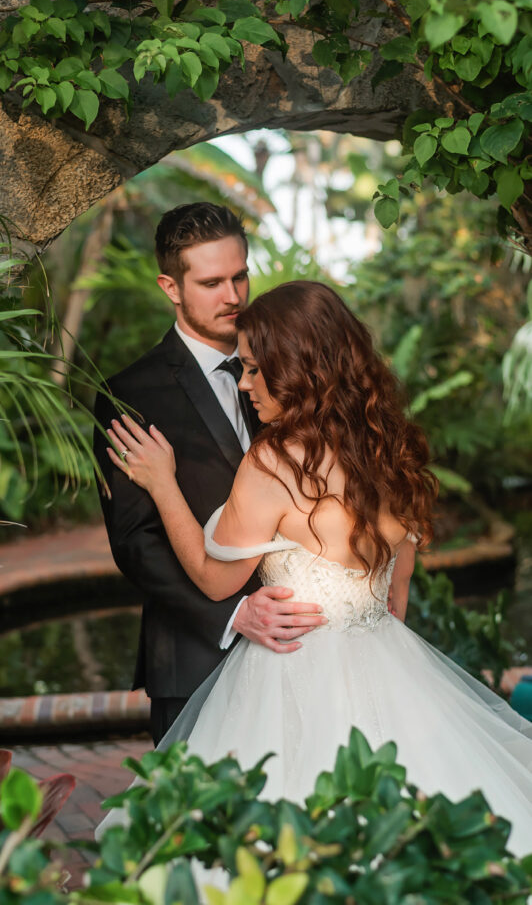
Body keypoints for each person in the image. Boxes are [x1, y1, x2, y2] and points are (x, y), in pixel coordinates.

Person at [106, 280, 532, 856]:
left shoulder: (274, 460)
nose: (246, 384)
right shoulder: (393, 451)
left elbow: (214, 577)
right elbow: (395, 601)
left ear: (297, 368)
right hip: (391, 663)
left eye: (256, 370)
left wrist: (162, 485)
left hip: (290, 673)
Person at [92, 205, 326, 745]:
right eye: (212, 282)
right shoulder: (130, 394)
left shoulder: (291, 365)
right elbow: (134, 541)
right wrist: (234, 613)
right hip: (197, 653)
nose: (234, 296)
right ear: (170, 286)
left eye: (240, 275)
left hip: (308, 645)